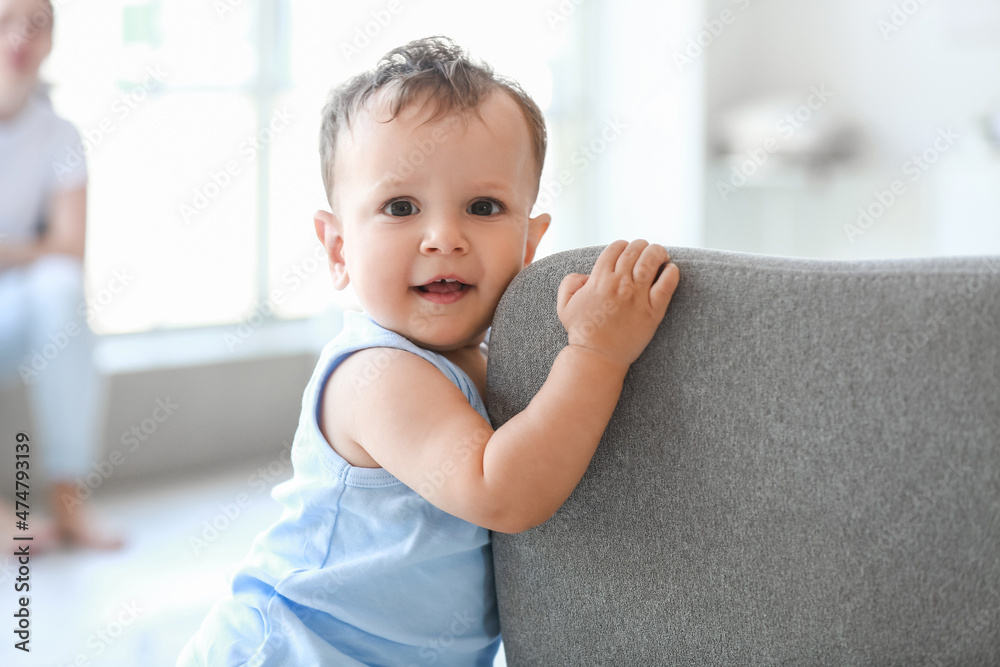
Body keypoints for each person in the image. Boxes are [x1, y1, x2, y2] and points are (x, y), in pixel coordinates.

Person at [179, 36, 680, 666]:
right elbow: (505, 493)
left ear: (530, 244)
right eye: (400, 207)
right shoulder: (377, 374)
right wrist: (597, 353)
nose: (444, 237)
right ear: (338, 250)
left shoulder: (493, 356)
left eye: (483, 207)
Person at [0, 0, 121, 550]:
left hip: (17, 303)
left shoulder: (58, 133)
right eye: (5, 20)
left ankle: (68, 497)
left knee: (60, 287)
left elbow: (69, 246)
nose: (20, 35)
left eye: (37, 22)